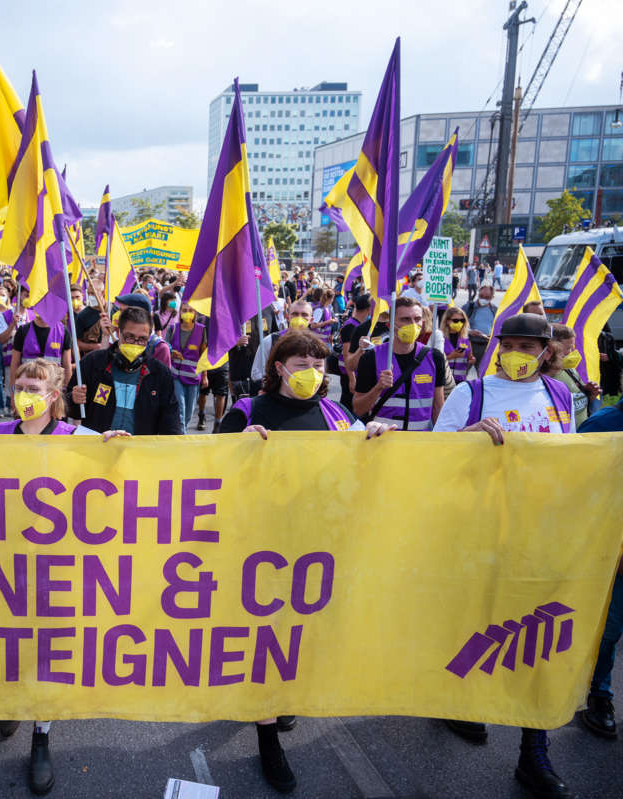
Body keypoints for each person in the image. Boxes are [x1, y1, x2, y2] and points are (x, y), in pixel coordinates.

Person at [216, 331, 393, 792]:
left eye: (318, 365)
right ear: (278, 367)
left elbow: (364, 462)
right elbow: (207, 474)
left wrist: (378, 435)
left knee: (299, 632)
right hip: (258, 549)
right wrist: (236, 450)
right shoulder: (246, 413)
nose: (312, 374)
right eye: (301, 364)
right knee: (263, 641)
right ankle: (267, 737)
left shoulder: (335, 413)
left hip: (314, 546)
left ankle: (282, 695)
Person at [432, 313, 573, 798]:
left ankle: (533, 752)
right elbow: (431, 460)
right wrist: (467, 437)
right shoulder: (472, 392)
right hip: (478, 534)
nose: (517, 353)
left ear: (546, 351)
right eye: (508, 344)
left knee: (539, 638)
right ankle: (456, 702)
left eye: (527, 346)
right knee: (473, 623)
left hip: (540, 536)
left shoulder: (560, 396)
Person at [0, 359, 128, 795]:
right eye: (19, 386)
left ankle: (41, 733)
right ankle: (10, 699)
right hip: (4, 559)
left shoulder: (78, 439)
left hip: (55, 566)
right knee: (4, 639)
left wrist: (115, 448)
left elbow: (114, 475)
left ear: (53, 397)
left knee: (45, 649)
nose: (23, 394)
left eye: (33, 387)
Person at [578, 400, 623, 743]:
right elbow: (576, 488)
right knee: (607, 633)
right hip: (613, 555)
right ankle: (598, 694)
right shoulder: (603, 423)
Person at [68, 306, 182, 435]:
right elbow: (72, 411)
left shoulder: (160, 373)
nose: (135, 343)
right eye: (129, 337)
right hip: (99, 448)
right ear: (118, 332)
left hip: (138, 451)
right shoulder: (92, 363)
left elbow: (171, 421)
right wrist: (73, 399)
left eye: (142, 339)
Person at [353, 297, 447, 431]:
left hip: (419, 444)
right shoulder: (371, 358)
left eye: (417, 319)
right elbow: (358, 409)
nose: (413, 324)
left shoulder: (434, 357)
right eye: (405, 319)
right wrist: (378, 387)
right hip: (382, 442)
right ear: (390, 324)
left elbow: (438, 407)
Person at [544, 324, 599, 427]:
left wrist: (588, 393)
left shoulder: (569, 369)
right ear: (551, 348)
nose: (570, 352)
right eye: (568, 348)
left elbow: (578, 401)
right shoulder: (542, 378)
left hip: (582, 431)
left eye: (572, 348)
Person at [251, 299, 314, 384]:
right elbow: (257, 372)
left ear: (311, 320)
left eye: (304, 315)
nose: (299, 318)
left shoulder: (316, 344)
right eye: (295, 314)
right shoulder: (271, 340)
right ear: (287, 317)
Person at [165, 305, 207, 430]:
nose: (187, 313)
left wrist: (205, 376)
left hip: (193, 378)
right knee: (181, 411)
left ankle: (182, 432)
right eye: (184, 310)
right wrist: (171, 352)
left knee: (188, 414)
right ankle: (182, 438)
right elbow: (165, 347)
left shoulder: (201, 330)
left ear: (195, 313)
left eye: (190, 311)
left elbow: (204, 355)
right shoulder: (172, 329)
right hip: (176, 376)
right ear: (180, 312)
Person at [11, 310, 72, 388]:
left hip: (53, 387)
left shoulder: (63, 331)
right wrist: (13, 391)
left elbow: (67, 365)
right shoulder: (22, 331)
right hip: (28, 387)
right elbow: (15, 364)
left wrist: (67, 390)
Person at [464, 284, 498, 368]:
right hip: (469, 344)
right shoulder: (469, 307)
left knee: (483, 373)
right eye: (481, 296)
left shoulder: (495, 310)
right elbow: (457, 323)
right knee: (462, 372)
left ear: (492, 297)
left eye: (487, 297)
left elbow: (499, 327)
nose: (483, 299)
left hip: (486, 346)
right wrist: (469, 331)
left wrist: (493, 335)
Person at [439, 306, 474, 385]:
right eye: (455, 320)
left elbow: (470, 357)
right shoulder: (440, 337)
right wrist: (451, 356)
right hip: (444, 380)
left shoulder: (465, 339)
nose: (459, 323)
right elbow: (434, 361)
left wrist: (471, 360)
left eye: (462, 320)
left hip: (460, 381)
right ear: (447, 321)